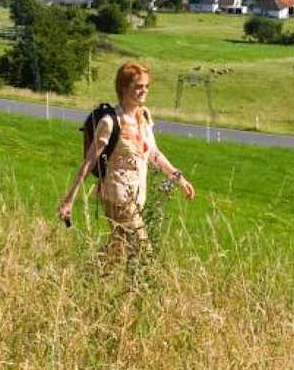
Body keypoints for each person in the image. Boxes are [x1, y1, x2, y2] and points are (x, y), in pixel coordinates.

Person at [58, 62, 195, 262]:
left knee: (117, 252)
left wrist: (178, 177)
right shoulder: (111, 122)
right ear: (124, 88)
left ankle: (88, 279)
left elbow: (154, 153)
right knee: (143, 251)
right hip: (118, 197)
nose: (144, 90)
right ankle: (141, 288)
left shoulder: (144, 118)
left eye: (146, 86)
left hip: (137, 196)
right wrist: (69, 200)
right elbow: (89, 162)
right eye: (138, 86)